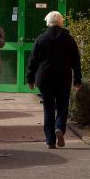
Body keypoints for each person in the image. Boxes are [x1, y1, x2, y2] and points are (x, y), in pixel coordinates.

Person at [26, 10, 81, 149]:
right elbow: (76, 61)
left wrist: (30, 78)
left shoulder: (41, 39)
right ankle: (59, 128)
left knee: (48, 108)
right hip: (63, 78)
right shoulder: (69, 39)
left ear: (48, 22)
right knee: (62, 107)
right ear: (61, 22)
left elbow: (33, 60)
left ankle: (50, 140)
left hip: (45, 79)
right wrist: (77, 80)